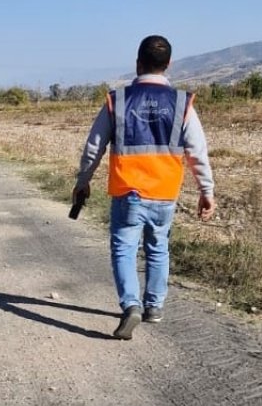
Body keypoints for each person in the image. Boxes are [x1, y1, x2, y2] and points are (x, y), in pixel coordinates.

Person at [72, 35, 216, 340]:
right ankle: (154, 307)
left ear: (137, 63)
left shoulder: (118, 100)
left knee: (124, 248)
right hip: (165, 192)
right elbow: (197, 152)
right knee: (158, 246)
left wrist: (83, 181)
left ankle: (131, 305)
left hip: (128, 191)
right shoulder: (182, 102)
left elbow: (93, 147)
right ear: (168, 65)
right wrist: (207, 191)